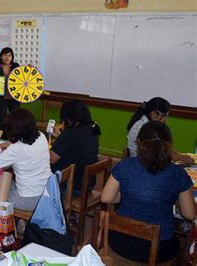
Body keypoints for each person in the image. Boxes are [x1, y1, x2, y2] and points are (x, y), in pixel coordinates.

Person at [102, 121, 194, 263]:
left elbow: (106, 198)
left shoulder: (125, 165)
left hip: (120, 241)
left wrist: (128, 195)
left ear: (138, 143)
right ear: (169, 146)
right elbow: (189, 214)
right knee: (181, 242)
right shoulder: (178, 174)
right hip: (160, 248)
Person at [0, 109, 53, 211]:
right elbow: (26, 151)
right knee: (9, 184)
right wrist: (11, 144)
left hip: (30, 200)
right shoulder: (41, 136)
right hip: (48, 193)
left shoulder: (16, 149)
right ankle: (21, 222)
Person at [50, 99, 100, 196]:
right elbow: (79, 145)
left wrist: (61, 137)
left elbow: (52, 159)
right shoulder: (94, 127)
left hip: (70, 186)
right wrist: (61, 137)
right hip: (89, 183)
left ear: (69, 118)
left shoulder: (69, 134)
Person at [127, 97, 192, 163]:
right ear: (154, 114)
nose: (165, 120)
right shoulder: (143, 127)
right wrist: (180, 157)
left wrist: (180, 155)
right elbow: (158, 151)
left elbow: (164, 146)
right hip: (141, 163)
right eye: (164, 116)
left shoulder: (149, 125)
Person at [0, 47, 21, 132]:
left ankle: (14, 139)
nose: (7, 57)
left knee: (16, 121)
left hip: (14, 98)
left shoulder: (16, 67)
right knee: (2, 121)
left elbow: (25, 77)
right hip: (0, 99)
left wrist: (30, 68)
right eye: (5, 55)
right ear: (1, 56)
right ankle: (3, 140)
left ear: (12, 57)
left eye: (9, 55)